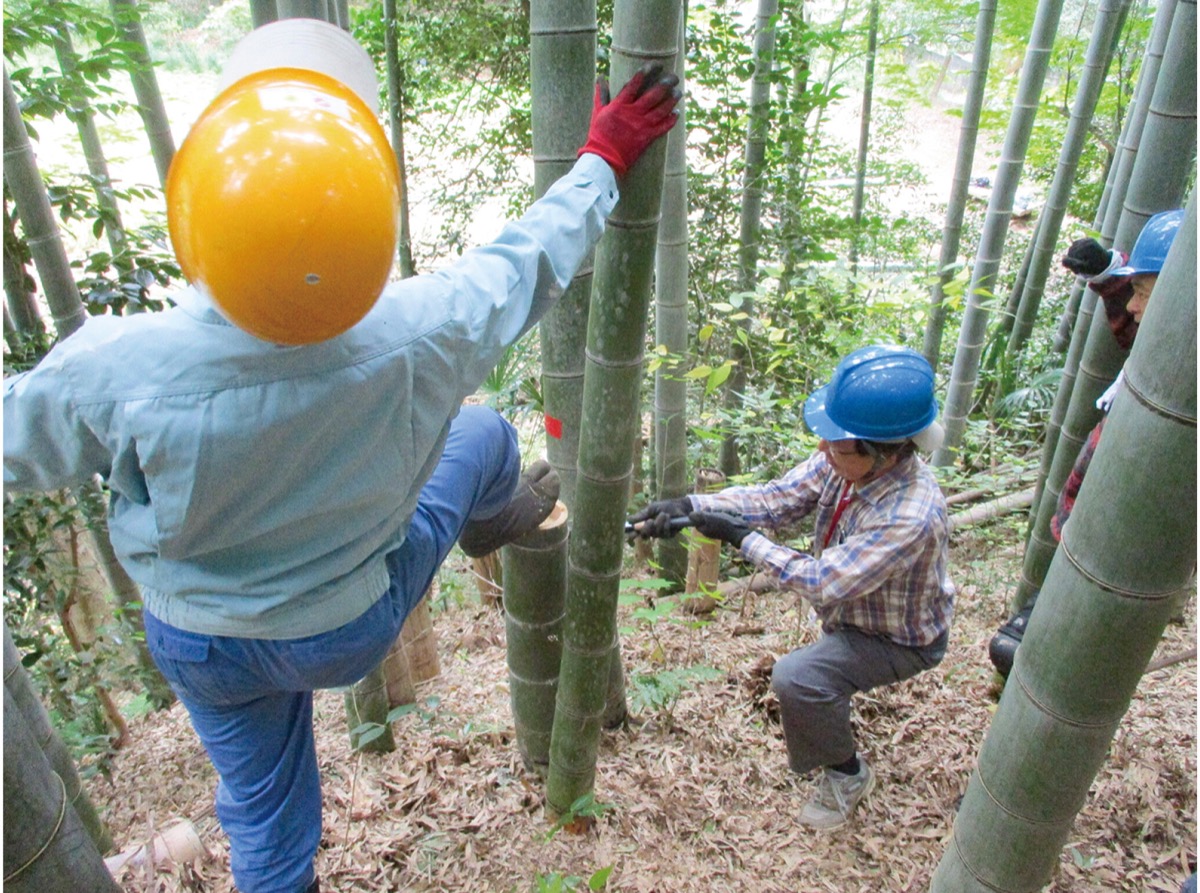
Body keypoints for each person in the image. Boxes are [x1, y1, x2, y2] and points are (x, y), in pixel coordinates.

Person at [3, 18, 681, 893]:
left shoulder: (116, 368)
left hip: (204, 640)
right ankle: (484, 522)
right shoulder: (425, 329)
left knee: (263, 815)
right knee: (482, 435)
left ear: (196, 217)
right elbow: (531, 260)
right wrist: (602, 157)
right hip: (343, 630)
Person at [631, 345, 954, 830]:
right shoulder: (847, 458)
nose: (823, 450)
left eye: (836, 444)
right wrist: (690, 506)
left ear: (883, 452)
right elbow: (778, 498)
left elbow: (824, 582)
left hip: (898, 639)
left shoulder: (910, 515)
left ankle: (847, 775)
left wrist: (740, 538)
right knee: (815, 673)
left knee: (798, 677)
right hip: (854, 617)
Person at [988, 208, 1185, 677]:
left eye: (1142, 293)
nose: (1133, 307)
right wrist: (1106, 271)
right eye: (1134, 293)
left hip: (1131, 535)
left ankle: (1062, 648)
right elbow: (1137, 320)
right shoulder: (1168, 341)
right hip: (1089, 520)